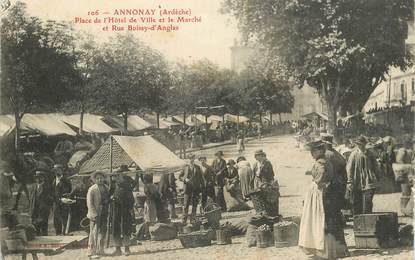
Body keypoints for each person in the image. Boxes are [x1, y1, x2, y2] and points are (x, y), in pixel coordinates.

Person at [299, 140, 348, 259]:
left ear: (320, 151)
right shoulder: (325, 160)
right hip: (329, 193)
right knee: (330, 220)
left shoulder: (321, 162)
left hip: (323, 194)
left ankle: (326, 251)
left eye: (314, 151)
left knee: (323, 220)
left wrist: (317, 182)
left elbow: (322, 175)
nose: (312, 153)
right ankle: (336, 250)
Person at [346, 136, 378, 215]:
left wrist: (377, 177)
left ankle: (367, 220)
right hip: (357, 181)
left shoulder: (370, 154)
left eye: (362, 144)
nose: (361, 146)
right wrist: (349, 181)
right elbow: (349, 169)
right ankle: (358, 222)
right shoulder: (354, 154)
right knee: (357, 203)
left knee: (368, 202)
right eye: (359, 144)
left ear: (365, 144)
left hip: (368, 181)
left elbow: (375, 166)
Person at [320, 134, 347, 211]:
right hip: (339, 184)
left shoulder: (326, 155)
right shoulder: (338, 155)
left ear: (325, 144)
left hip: (329, 185)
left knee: (328, 207)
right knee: (336, 207)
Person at [87, 171, 110, 259]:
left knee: (103, 231)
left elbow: (107, 199)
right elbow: (90, 203)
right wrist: (94, 214)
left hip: (104, 211)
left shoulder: (106, 188)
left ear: (104, 178)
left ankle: (101, 250)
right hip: (95, 213)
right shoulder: (92, 189)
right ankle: (91, 252)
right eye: (98, 178)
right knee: (94, 232)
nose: (100, 180)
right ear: (95, 180)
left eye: (101, 178)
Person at [112, 175, 135, 256]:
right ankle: (117, 249)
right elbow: (109, 197)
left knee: (126, 229)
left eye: (118, 177)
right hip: (116, 211)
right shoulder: (113, 186)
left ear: (122, 178)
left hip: (125, 212)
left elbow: (132, 200)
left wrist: (127, 208)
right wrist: (112, 198)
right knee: (116, 229)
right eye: (115, 177)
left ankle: (127, 248)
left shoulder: (127, 187)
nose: (116, 179)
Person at [179, 154, 203, 224]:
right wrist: (185, 179)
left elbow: (201, 178)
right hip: (187, 189)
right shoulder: (185, 168)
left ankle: (193, 219)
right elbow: (180, 177)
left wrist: (201, 188)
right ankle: (184, 220)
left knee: (195, 204)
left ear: (194, 159)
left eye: (192, 158)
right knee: (186, 204)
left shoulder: (197, 167)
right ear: (188, 159)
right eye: (190, 159)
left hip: (195, 189)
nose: (191, 160)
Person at [29, 170, 53, 236]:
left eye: (40, 177)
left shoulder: (47, 187)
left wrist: (47, 209)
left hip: (43, 212)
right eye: (36, 177)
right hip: (34, 211)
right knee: (35, 229)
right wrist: (31, 211)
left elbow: (50, 200)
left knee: (43, 229)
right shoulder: (33, 187)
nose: (38, 179)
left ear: (43, 178)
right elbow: (31, 200)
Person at [52, 164, 72, 235]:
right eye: (55, 170)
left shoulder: (66, 180)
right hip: (56, 203)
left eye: (58, 170)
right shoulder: (54, 180)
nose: (57, 172)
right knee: (56, 219)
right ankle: (58, 233)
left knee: (64, 219)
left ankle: (65, 233)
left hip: (64, 202)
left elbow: (69, 190)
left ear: (62, 171)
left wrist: (65, 197)